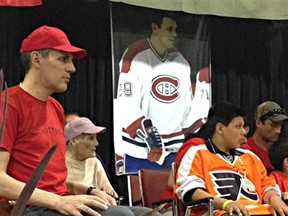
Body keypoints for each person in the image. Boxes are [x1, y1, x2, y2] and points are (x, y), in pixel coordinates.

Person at [0, 25, 159, 216]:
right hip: (27, 208)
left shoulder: (55, 108)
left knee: (149, 214)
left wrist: (89, 191)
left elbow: (49, 180)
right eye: (63, 59)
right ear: (36, 59)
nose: (72, 68)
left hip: (56, 202)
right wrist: (59, 201)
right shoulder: (8, 103)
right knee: (121, 215)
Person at [115, 11, 210, 173]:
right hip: (140, 150)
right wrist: (150, 137)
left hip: (173, 150)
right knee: (143, 196)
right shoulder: (135, 55)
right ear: (154, 28)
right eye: (169, 29)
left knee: (173, 196)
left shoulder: (181, 63)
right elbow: (126, 104)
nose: (174, 34)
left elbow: (185, 111)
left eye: (175, 30)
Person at [175, 101, 288, 216]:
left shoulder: (250, 156)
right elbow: (191, 191)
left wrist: (274, 199)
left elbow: (266, 185)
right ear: (220, 128)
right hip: (218, 211)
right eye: (238, 126)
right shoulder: (197, 153)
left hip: (256, 211)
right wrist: (226, 204)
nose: (244, 132)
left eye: (243, 127)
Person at [65, 117, 160, 215]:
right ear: (74, 140)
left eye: (96, 138)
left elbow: (111, 194)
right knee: (123, 214)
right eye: (91, 138)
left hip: (99, 205)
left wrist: (108, 192)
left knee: (153, 214)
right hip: (78, 208)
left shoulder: (93, 161)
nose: (96, 143)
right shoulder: (59, 162)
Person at [242, 101, 288, 171]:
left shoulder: (282, 152)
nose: (278, 131)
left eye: (280, 126)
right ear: (258, 122)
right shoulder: (245, 151)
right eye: (273, 125)